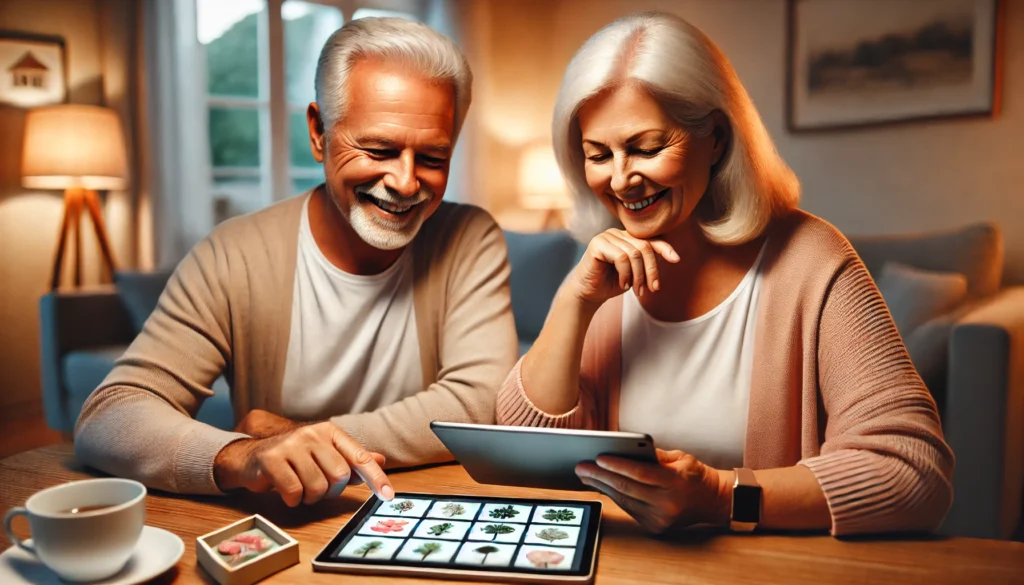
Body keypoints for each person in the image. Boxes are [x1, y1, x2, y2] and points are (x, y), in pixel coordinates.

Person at [497, 12, 953, 536]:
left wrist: (723, 496)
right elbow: (524, 453)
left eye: (646, 148)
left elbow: (914, 472)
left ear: (714, 138)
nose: (621, 179)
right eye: (599, 155)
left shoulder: (812, 260)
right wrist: (575, 303)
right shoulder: (605, 268)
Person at [75, 17, 517, 507]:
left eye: (433, 158)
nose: (407, 182)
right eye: (378, 149)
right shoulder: (233, 253)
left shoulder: (469, 236)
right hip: (283, 520)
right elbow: (110, 415)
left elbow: (480, 405)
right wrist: (242, 455)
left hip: (424, 509)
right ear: (318, 132)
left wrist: (304, 438)